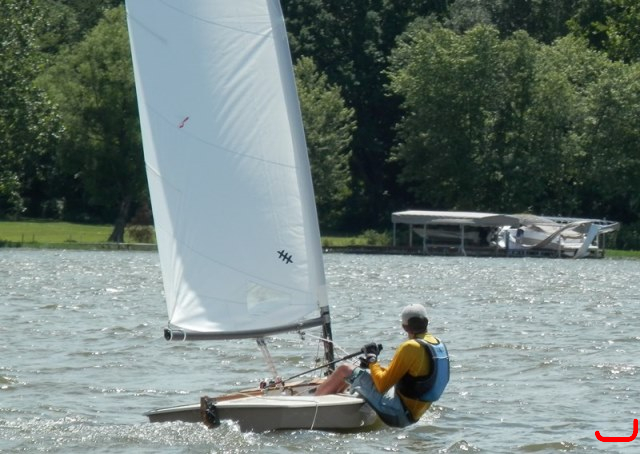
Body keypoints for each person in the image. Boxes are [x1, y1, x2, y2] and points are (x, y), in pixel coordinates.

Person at [315, 303, 449, 427]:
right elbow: (411, 377)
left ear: (404, 327)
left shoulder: (410, 346)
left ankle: (314, 406)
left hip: (398, 412)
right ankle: (332, 400)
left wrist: (372, 359)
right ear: (426, 321)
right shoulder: (438, 344)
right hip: (412, 415)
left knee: (345, 369)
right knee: (357, 371)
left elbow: (382, 385)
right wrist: (371, 365)